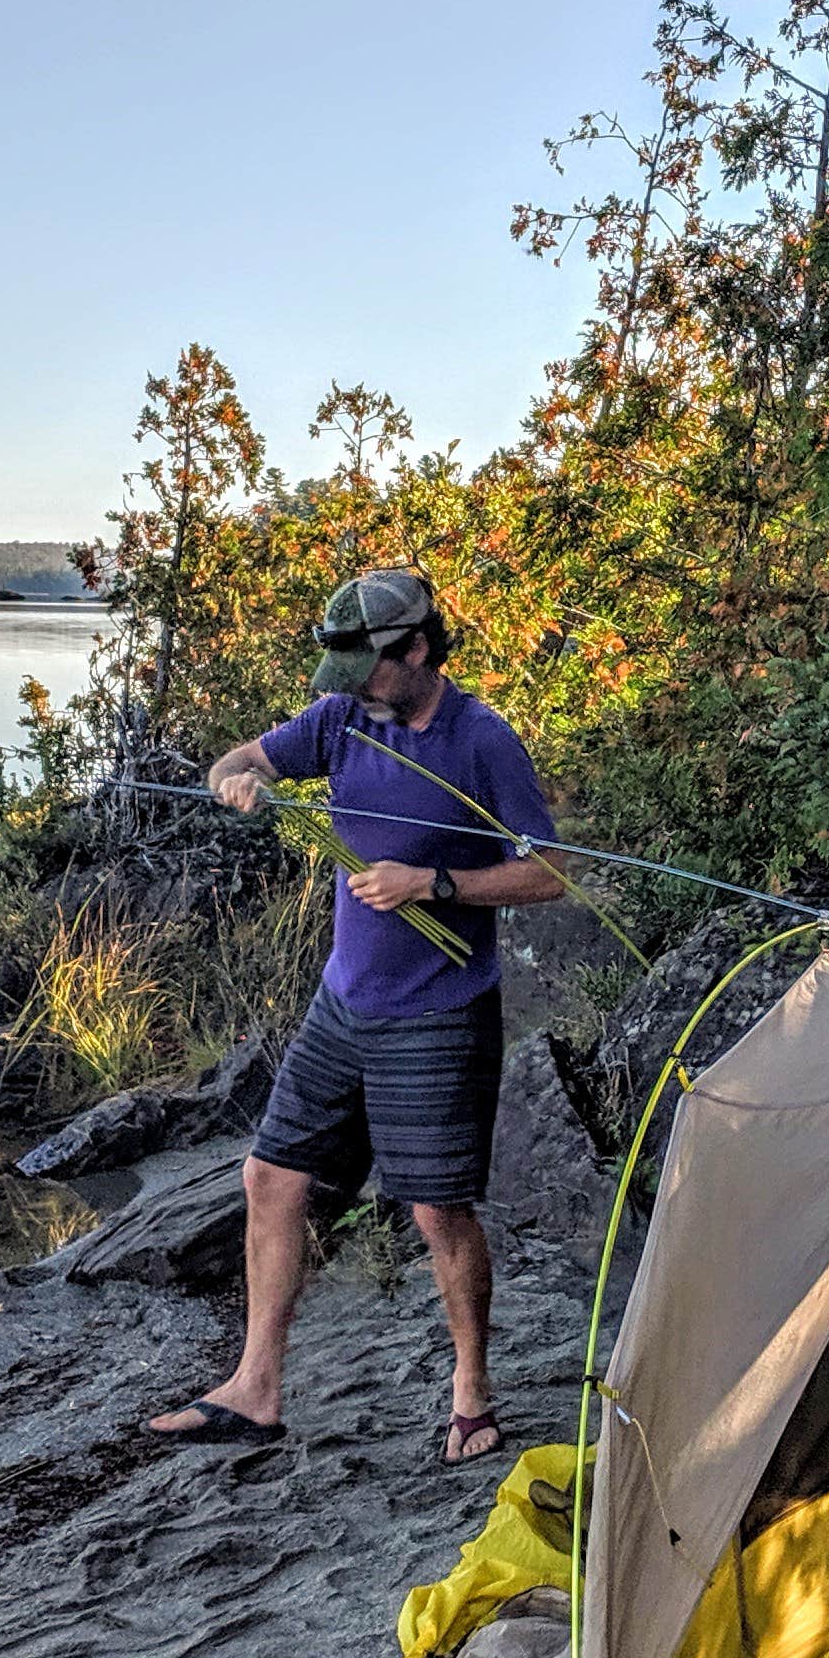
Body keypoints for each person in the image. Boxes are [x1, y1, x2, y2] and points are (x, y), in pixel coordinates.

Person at [145, 565, 566, 1462]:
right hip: (344, 1003)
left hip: (439, 1012)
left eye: (367, 666)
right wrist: (237, 780)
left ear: (417, 650)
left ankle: (472, 1393)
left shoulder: (483, 741)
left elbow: (550, 872)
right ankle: (256, 1387)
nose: (352, 688)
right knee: (270, 1178)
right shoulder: (339, 718)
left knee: (436, 1212)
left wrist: (436, 883)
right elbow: (239, 759)